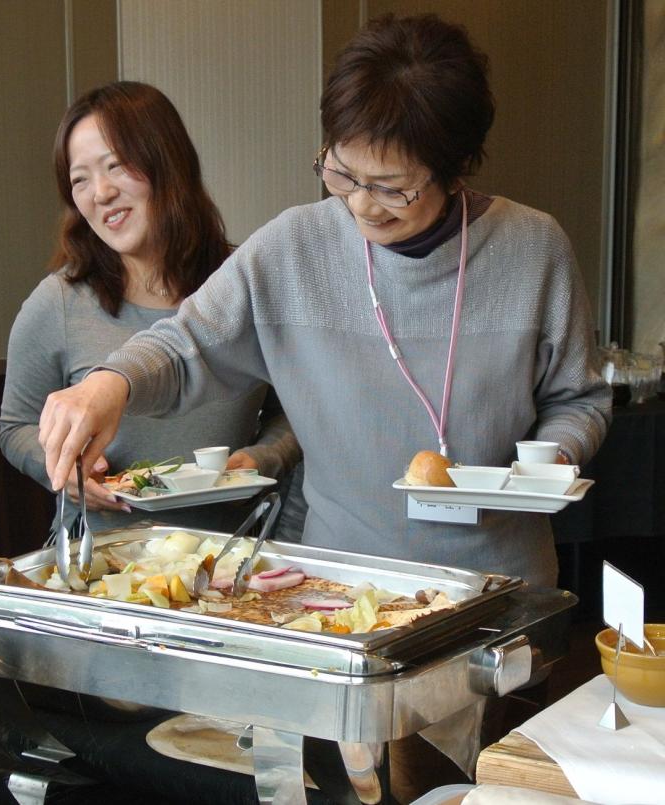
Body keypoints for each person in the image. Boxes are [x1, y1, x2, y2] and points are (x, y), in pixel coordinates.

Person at [37, 17, 611, 799]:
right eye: (342, 175)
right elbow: (187, 344)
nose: (363, 208)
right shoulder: (292, 249)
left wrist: (554, 458)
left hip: (497, 607)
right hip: (347, 612)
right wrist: (110, 382)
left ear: (457, 165)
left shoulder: (533, 248)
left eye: (393, 186)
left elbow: (579, 396)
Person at [0, 80, 302, 537]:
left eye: (115, 166)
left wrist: (265, 457)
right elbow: (15, 425)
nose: (99, 193)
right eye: (79, 179)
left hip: (234, 557)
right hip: (102, 564)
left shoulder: (243, 285)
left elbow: (296, 410)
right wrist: (64, 472)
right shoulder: (58, 301)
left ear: (168, 163)